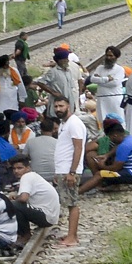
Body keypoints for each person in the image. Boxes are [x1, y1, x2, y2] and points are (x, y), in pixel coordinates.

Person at [79, 121, 132, 192]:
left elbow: (115, 168)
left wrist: (102, 166)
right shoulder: (131, 138)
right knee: (94, 157)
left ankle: (78, 192)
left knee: (100, 174)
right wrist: (107, 155)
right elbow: (117, 147)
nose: (111, 140)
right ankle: (100, 184)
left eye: (110, 137)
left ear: (115, 135)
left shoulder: (124, 147)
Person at [52, 97, 85, 246]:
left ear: (68, 106)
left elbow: (78, 147)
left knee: (72, 202)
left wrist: (72, 172)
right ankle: (71, 234)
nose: (58, 109)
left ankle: (72, 237)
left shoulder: (74, 123)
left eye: (61, 106)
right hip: (63, 169)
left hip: (69, 170)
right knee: (69, 202)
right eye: (56, 106)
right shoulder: (63, 124)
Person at [8, 154, 59, 246]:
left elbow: (23, 198)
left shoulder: (27, 177)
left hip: (46, 217)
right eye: (14, 169)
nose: (16, 171)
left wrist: (15, 198)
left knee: (15, 205)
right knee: (17, 203)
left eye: (20, 168)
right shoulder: (33, 176)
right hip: (50, 216)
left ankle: (25, 235)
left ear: (28, 168)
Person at [34, 48, 83, 118]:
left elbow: (71, 89)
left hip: (69, 101)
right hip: (58, 102)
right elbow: (40, 83)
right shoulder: (53, 72)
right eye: (65, 59)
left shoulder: (68, 71)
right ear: (60, 61)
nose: (67, 61)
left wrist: (74, 104)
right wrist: (53, 93)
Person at [86, 46, 126, 127]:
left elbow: (115, 83)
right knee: (103, 122)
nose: (108, 57)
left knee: (118, 122)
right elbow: (93, 79)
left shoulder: (119, 69)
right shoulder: (100, 68)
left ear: (116, 57)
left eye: (111, 56)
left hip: (114, 99)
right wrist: (107, 79)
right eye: (107, 55)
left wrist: (99, 80)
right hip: (102, 100)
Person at [25, 116, 58, 181]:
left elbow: (24, 158)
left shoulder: (30, 142)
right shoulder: (58, 143)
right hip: (55, 176)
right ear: (53, 129)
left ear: (40, 129)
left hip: (36, 176)